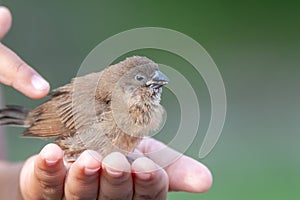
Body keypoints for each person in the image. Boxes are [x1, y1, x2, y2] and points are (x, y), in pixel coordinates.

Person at [0, 6, 212, 199]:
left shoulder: (138, 111)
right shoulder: (105, 104)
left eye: (153, 76)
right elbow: (57, 123)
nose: (154, 81)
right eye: (140, 79)